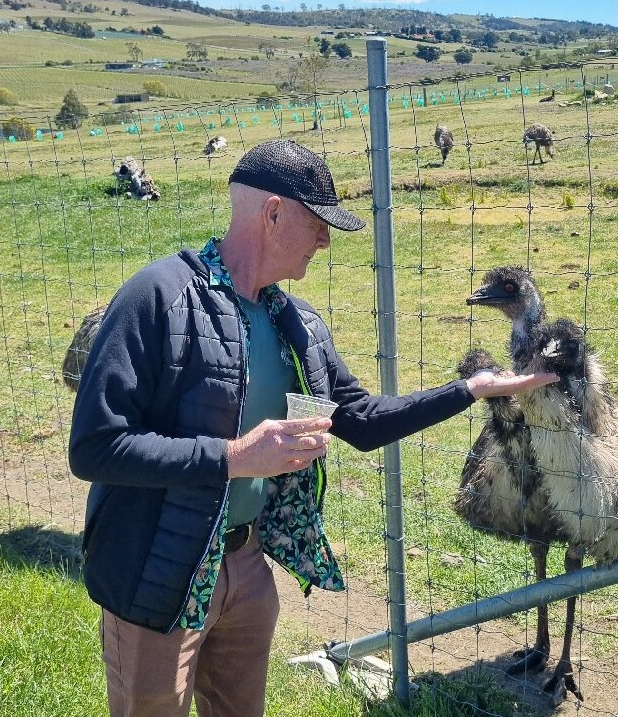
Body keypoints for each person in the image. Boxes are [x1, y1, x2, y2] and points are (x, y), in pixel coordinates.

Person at [68, 138, 558, 717]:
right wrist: (235, 456)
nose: (326, 240)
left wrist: (470, 391)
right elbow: (96, 447)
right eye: (317, 222)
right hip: (158, 569)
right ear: (272, 213)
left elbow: (360, 420)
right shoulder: (158, 299)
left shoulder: (295, 323)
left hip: (245, 568)